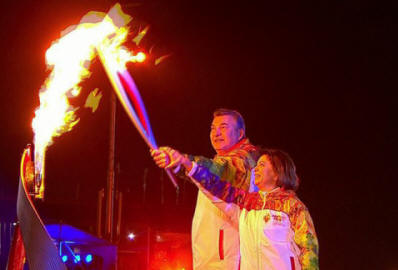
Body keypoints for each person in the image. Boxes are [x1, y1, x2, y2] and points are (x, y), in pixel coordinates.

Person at [154, 148, 319, 270]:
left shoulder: (293, 206)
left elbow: (309, 249)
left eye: (262, 165)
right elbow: (215, 187)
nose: (256, 169)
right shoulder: (246, 202)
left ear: (277, 173)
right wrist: (187, 164)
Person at [151, 108, 259, 270]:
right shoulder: (222, 160)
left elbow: (219, 172)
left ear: (240, 133)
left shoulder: (243, 161)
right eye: (213, 128)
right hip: (211, 257)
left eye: (223, 127)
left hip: (228, 259)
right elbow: (205, 175)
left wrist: (184, 161)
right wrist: (176, 164)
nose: (216, 133)